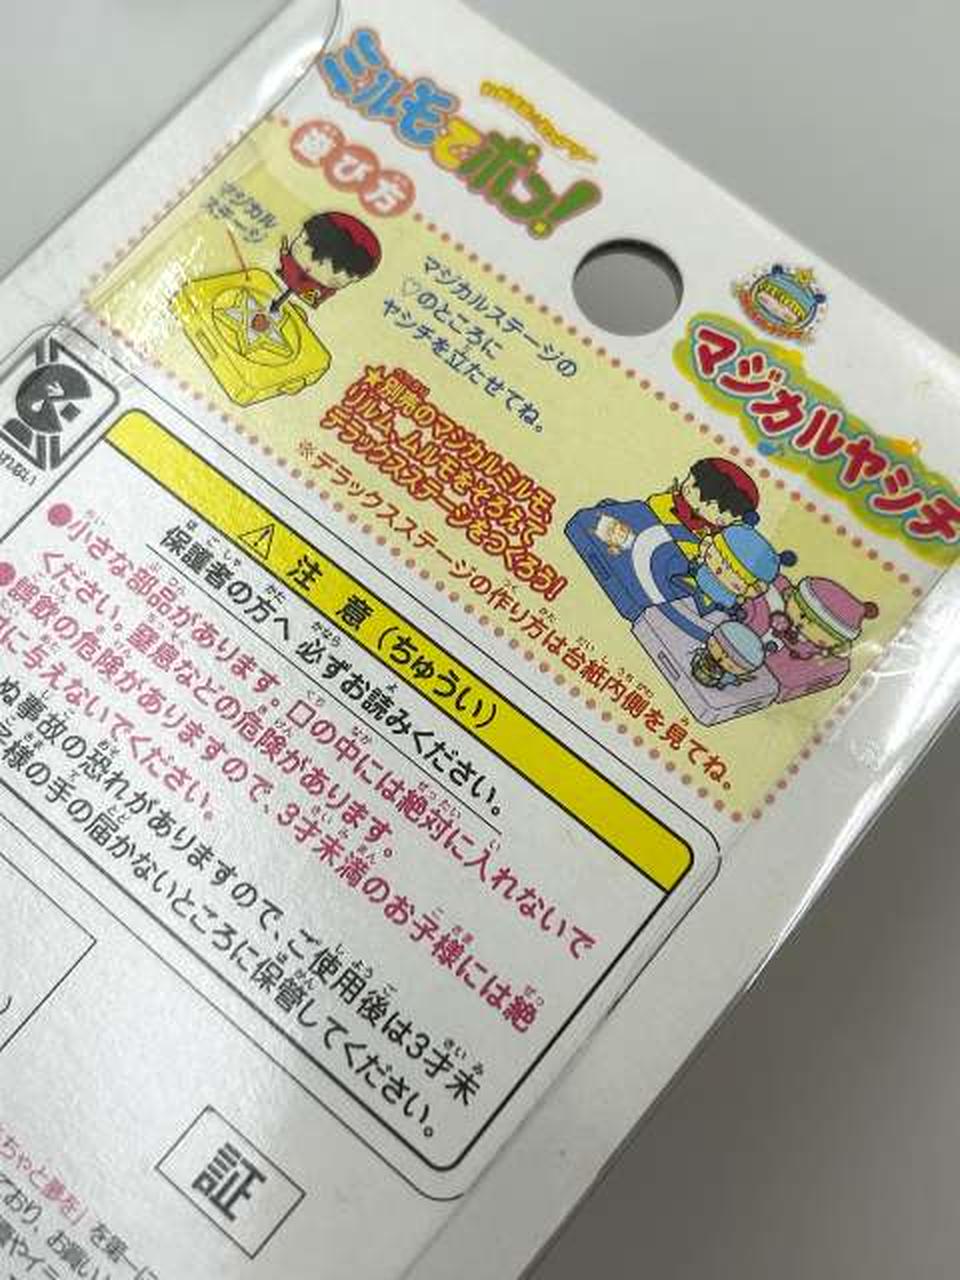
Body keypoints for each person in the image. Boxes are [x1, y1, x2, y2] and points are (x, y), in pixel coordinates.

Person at [271, 211, 382, 313]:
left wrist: (318, 300)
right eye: (300, 237)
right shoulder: (295, 264)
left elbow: (324, 293)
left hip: (302, 292)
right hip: (288, 279)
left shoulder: (321, 286)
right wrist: (285, 254)